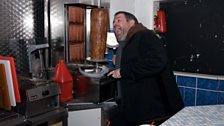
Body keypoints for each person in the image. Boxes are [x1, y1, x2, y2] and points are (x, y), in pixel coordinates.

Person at [107, 11, 184, 126]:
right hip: (138, 109)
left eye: (119, 20)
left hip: (154, 111)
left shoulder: (145, 36)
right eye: (113, 22)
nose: (115, 24)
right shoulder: (130, 41)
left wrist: (123, 71)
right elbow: (138, 61)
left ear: (131, 22)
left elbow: (157, 61)